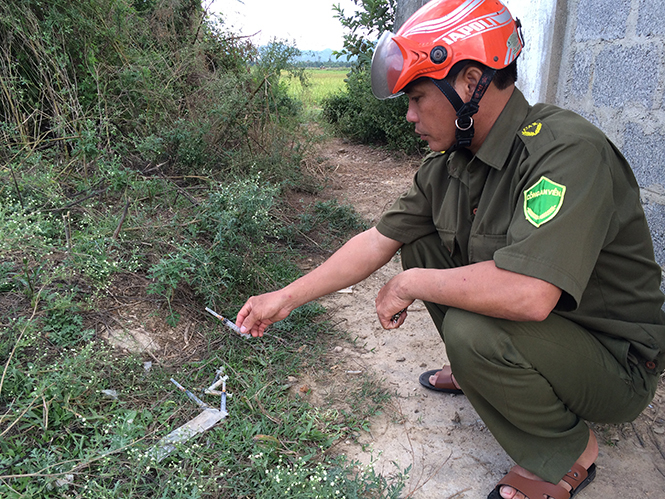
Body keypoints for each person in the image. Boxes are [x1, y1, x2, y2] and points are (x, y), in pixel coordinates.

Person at [236, 1, 665, 498]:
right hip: (553, 337)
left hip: (614, 363)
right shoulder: (454, 163)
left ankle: (568, 451)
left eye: (418, 97)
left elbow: (530, 295)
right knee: (420, 242)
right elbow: (378, 239)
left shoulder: (565, 151)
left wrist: (410, 282)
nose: (409, 114)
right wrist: (285, 297)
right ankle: (488, 371)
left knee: (471, 329)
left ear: (469, 83)